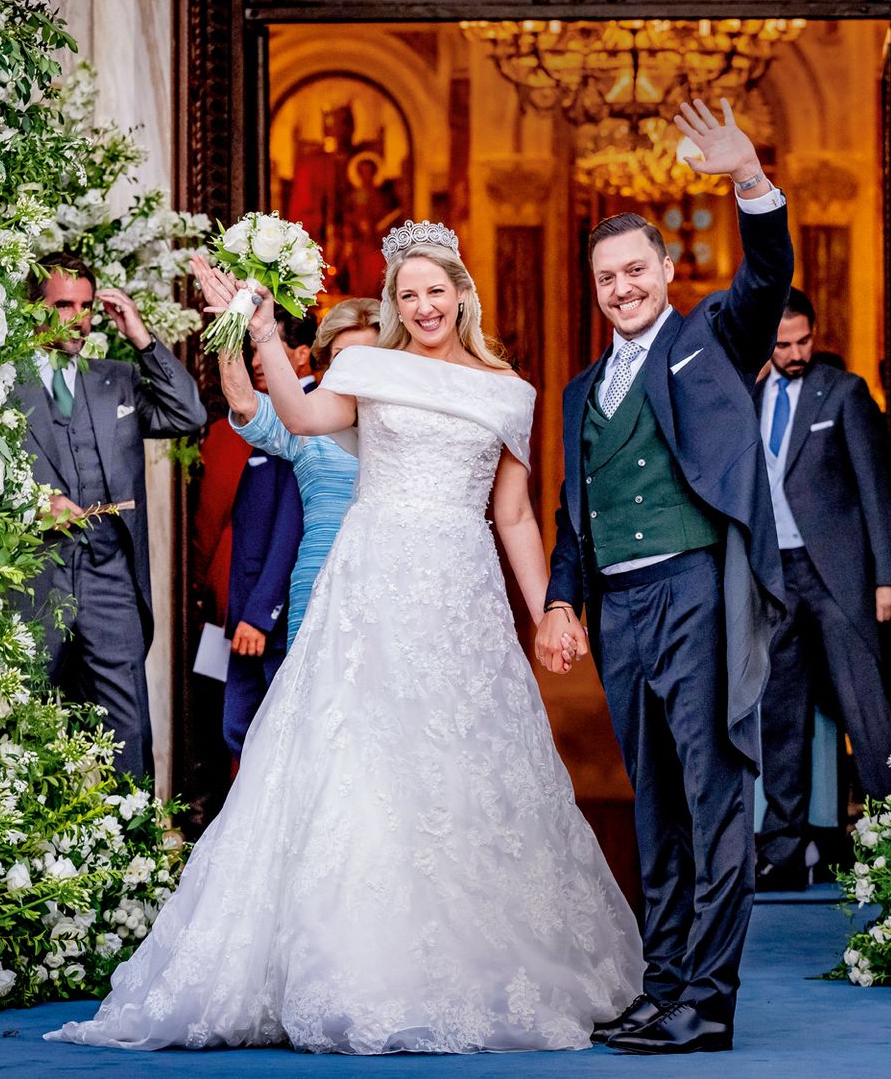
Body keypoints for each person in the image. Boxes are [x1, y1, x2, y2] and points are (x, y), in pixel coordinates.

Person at [45, 222, 640, 1054]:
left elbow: (511, 514)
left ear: (463, 294)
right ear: (394, 304)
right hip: (371, 583)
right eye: (409, 293)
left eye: (438, 290)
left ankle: (475, 960)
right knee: (357, 757)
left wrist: (550, 610)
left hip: (459, 592)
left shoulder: (510, 391)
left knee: (463, 764)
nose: (425, 305)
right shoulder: (367, 369)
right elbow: (290, 411)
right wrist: (252, 328)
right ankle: (348, 961)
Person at [535, 99, 793, 1055]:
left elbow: (768, 275)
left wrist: (749, 180)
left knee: (710, 793)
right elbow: (575, 514)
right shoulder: (577, 392)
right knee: (654, 799)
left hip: (695, 589)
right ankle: (665, 981)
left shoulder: (712, 339)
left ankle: (710, 1003)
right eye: (607, 277)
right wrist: (563, 598)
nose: (622, 288)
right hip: (623, 609)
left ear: (666, 272)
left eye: (636, 270)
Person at [18, 252, 206, 778]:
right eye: (62, 305)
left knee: (127, 728)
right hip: (34, 574)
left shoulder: (116, 379)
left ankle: (135, 849)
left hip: (110, 575)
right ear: (35, 309)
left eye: (85, 306)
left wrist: (142, 340)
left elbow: (187, 414)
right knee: (20, 719)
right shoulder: (0, 383)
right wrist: (33, 503)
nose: (78, 318)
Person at [751, 288, 891, 892]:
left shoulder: (842, 393)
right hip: (774, 577)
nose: (794, 353)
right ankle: (784, 855)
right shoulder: (750, 396)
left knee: (864, 712)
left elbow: (876, 489)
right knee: (780, 717)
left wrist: (887, 577)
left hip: (837, 578)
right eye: (783, 344)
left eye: (803, 341)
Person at [226, 306, 363, 648]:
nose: (362, 369)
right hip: (312, 590)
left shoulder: (413, 430)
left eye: (371, 356)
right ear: (328, 364)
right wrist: (232, 319)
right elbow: (244, 403)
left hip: (384, 590)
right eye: (345, 358)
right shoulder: (307, 423)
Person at [215, 310, 316, 767]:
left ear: (302, 354)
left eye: (265, 348)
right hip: (248, 615)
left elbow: (292, 527)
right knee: (243, 734)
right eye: (253, 349)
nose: (257, 360)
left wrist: (261, 614)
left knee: (271, 743)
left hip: (273, 619)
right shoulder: (271, 409)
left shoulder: (309, 418)